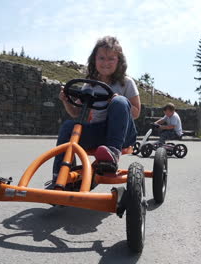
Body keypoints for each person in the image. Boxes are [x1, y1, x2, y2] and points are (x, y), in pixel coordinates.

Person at [47, 36, 141, 189]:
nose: (106, 62)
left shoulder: (126, 82)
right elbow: (77, 113)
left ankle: (112, 154)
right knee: (68, 127)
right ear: (94, 60)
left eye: (111, 58)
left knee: (119, 102)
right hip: (98, 132)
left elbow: (136, 113)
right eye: (101, 58)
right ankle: (60, 177)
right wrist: (65, 100)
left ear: (119, 61)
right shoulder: (89, 85)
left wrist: (120, 100)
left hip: (122, 134)